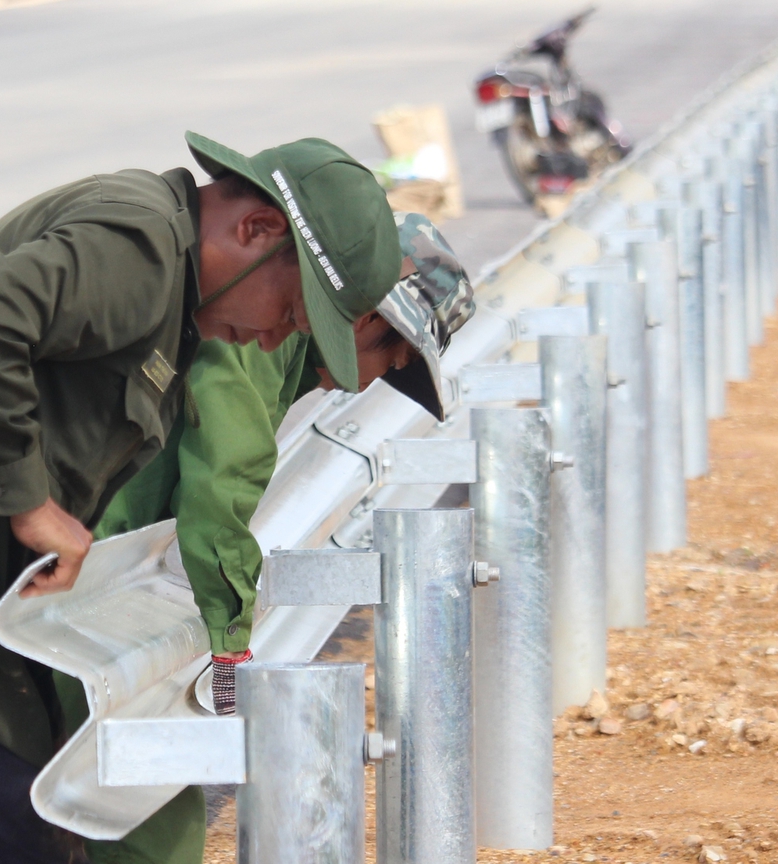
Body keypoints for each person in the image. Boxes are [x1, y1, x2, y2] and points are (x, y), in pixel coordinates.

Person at [0, 132, 403, 864]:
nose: (278, 338)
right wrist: (28, 500)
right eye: (291, 308)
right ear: (255, 230)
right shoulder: (142, 243)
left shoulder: (166, 281)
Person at [56, 213, 476, 864]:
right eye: (389, 362)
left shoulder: (278, 341)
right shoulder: (256, 336)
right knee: (137, 800)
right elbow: (220, 486)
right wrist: (230, 651)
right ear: (364, 318)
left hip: (92, 571)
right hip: (84, 579)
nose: (372, 383)